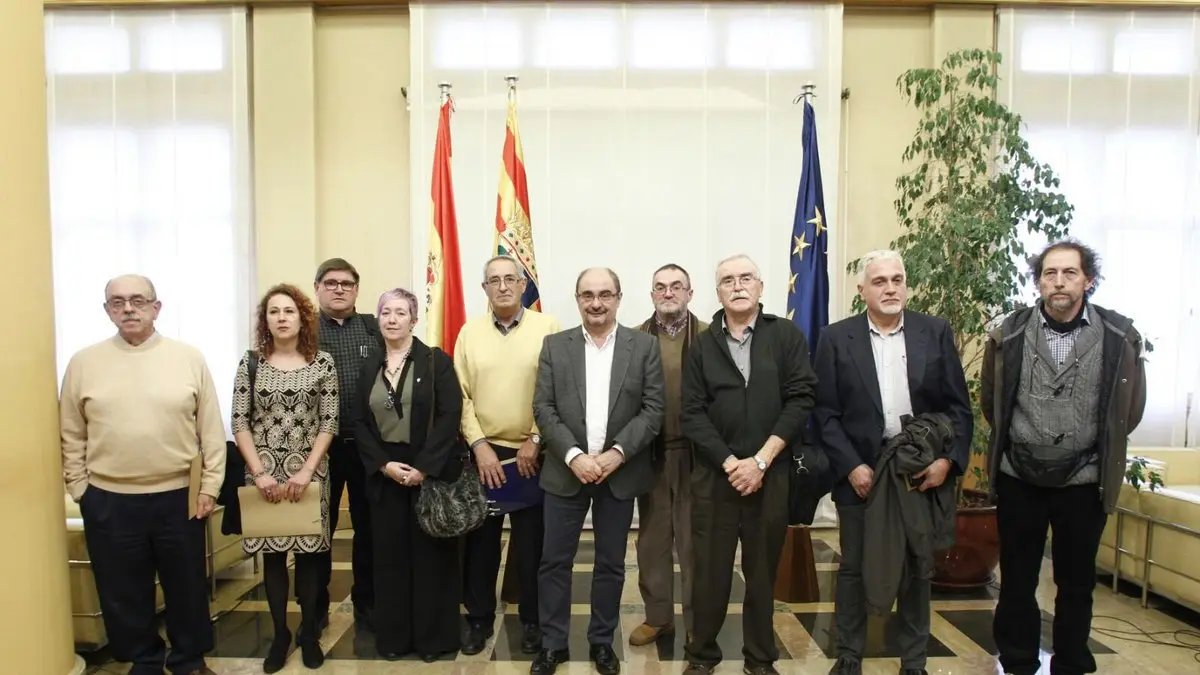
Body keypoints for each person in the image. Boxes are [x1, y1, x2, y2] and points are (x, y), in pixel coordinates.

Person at [983, 240, 1146, 675]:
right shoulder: (1008, 333)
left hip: (1084, 480)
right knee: (1017, 579)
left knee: (1075, 582)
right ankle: (1018, 662)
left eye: (1069, 273)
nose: (1059, 282)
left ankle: (1072, 663)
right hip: (1019, 476)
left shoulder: (1119, 337)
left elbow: (1129, 411)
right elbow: (991, 402)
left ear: (1088, 280)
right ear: (1038, 282)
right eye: (1049, 273)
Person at [814, 250, 972, 675]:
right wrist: (851, 466)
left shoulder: (934, 332)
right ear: (862, 290)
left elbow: (959, 408)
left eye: (897, 280)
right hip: (860, 472)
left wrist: (947, 462)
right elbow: (824, 413)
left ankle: (914, 662)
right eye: (879, 281)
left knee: (918, 566)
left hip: (918, 471)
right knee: (854, 566)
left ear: (906, 285)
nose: (890, 288)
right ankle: (849, 655)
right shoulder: (835, 338)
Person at [60, 274, 225, 675]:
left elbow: (210, 430)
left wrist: (209, 486)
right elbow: (70, 432)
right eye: (117, 302)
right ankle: (145, 660)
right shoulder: (84, 362)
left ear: (156, 307)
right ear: (107, 311)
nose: (128, 309)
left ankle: (189, 661)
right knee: (123, 592)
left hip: (179, 496)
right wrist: (81, 489)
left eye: (138, 300)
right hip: (109, 499)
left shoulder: (188, 358)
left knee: (186, 587)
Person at [681, 254, 817, 675]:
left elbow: (802, 399)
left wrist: (760, 461)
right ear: (717, 292)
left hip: (770, 476)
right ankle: (702, 656)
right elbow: (692, 413)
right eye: (728, 280)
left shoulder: (786, 335)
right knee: (710, 575)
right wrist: (730, 463)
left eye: (746, 278)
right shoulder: (702, 345)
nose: (737, 286)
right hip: (715, 478)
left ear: (760, 286)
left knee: (761, 575)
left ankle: (759, 659)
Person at [531, 267, 665, 675]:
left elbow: (653, 409)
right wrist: (574, 456)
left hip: (617, 475)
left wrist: (617, 454)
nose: (596, 303)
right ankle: (553, 644)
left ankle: (602, 642)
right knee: (554, 563)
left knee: (610, 564)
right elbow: (543, 408)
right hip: (565, 472)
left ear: (619, 298)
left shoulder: (644, 347)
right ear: (577, 299)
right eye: (587, 295)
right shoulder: (555, 345)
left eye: (605, 294)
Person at [231, 284, 339, 672]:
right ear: (266, 320)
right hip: (263, 474)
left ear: (302, 317)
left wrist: (307, 470)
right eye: (274, 311)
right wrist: (259, 472)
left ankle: (309, 633)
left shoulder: (323, 362)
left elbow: (329, 421)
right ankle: (280, 634)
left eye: (289, 311)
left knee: (310, 556)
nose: (281, 318)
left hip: (310, 471)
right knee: (274, 557)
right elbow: (239, 421)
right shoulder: (250, 363)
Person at [457, 256, 562, 655]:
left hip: (534, 453)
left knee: (532, 547)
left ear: (523, 285)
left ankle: (532, 621)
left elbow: (557, 389)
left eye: (509, 279)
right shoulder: (469, 332)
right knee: (481, 546)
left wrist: (536, 438)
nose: (502, 286)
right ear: (484, 288)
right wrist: (478, 445)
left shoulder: (548, 327)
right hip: (485, 455)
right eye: (493, 280)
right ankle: (479, 619)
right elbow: (461, 396)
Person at [355, 287, 463, 662]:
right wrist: (383, 465)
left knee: (431, 559)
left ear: (414, 320)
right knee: (390, 560)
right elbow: (359, 422)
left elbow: (450, 416)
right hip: (385, 474)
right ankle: (395, 639)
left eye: (401, 313)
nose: (392, 319)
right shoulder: (369, 364)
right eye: (386, 312)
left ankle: (433, 641)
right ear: (378, 319)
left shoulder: (435, 362)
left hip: (426, 471)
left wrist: (424, 468)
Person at [630, 263, 707, 647]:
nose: (668, 293)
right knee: (652, 541)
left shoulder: (709, 336)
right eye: (660, 287)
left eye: (677, 286)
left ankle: (697, 621)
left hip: (698, 456)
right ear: (652, 295)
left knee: (694, 543)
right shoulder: (635, 339)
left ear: (690, 293)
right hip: (652, 455)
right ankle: (658, 617)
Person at [313, 258, 381, 628]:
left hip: (365, 446)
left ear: (356, 290)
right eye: (331, 283)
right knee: (317, 527)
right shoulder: (304, 331)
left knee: (368, 527)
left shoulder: (373, 329)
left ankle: (367, 603)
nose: (339, 289)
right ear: (317, 288)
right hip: (318, 449)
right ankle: (315, 605)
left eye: (347, 284)